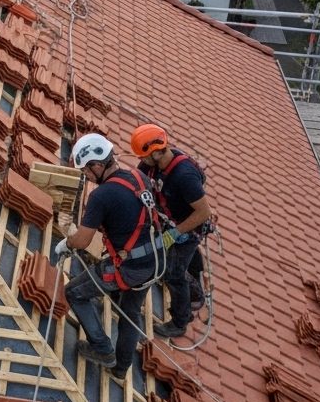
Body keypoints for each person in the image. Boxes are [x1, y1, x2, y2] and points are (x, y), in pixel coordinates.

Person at [58, 133, 164, 377]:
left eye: (86, 171)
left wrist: (67, 242)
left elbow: (83, 240)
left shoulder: (101, 196)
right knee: (131, 311)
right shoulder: (137, 176)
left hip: (130, 267)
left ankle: (103, 349)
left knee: (74, 292)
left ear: (97, 165)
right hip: (154, 260)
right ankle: (120, 368)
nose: (86, 177)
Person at [131, 124, 212, 339]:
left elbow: (203, 212)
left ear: (156, 152)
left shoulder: (184, 175)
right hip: (170, 220)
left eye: (146, 156)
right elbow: (138, 184)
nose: (143, 160)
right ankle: (195, 286)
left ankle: (180, 320)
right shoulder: (150, 166)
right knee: (185, 262)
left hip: (188, 228)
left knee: (173, 273)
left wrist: (174, 234)